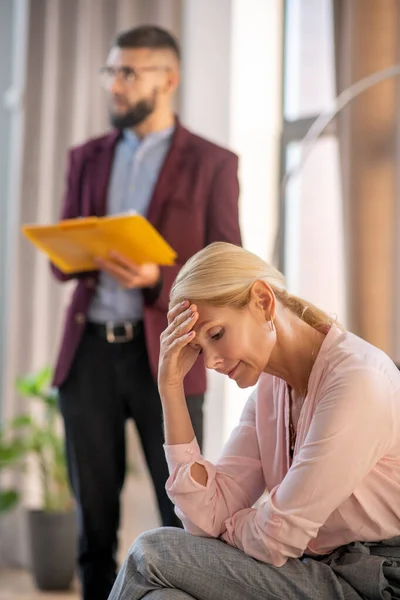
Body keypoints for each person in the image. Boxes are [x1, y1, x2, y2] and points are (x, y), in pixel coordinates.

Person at [50, 26, 241, 600]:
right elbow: (64, 260)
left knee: (180, 510)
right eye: (110, 72)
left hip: (169, 357)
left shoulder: (212, 163)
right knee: (93, 522)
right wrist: (81, 253)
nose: (114, 85)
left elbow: (228, 269)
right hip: (86, 357)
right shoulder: (86, 158)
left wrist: (157, 278)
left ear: (168, 79)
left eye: (128, 73)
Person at [109, 241, 400, 600]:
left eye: (216, 335)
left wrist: (236, 526)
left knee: (151, 552)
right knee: (163, 597)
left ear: (263, 301)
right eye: (200, 349)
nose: (211, 363)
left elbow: (277, 537)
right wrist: (170, 389)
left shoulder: (357, 381)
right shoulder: (270, 389)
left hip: (372, 580)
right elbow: (207, 517)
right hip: (311, 571)